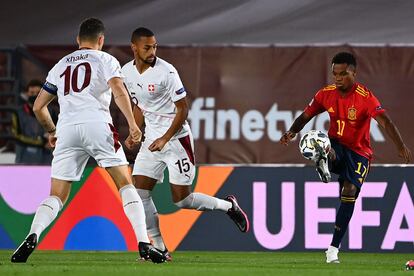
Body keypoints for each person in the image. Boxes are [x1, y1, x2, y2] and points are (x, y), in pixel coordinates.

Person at [11, 18, 165, 264]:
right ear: (101, 40)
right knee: (126, 184)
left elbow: (39, 107)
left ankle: (32, 235)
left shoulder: (60, 65)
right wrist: (133, 124)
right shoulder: (106, 60)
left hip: (67, 129)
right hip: (97, 125)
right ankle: (144, 243)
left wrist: (51, 131)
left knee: (57, 195)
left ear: (78, 40)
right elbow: (118, 90)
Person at [122, 27, 250, 260]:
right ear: (134, 48)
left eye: (155, 46)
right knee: (140, 192)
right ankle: (159, 246)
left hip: (177, 140)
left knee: (182, 200)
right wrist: (135, 129)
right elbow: (139, 105)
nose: (152, 51)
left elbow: (183, 109)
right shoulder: (126, 73)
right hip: (152, 140)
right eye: (147, 47)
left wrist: (165, 138)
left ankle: (229, 207)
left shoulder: (167, 72)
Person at [280, 52, 412, 263]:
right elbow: (306, 115)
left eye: (342, 74)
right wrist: (292, 132)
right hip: (338, 145)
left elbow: (385, 122)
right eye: (335, 74)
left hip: (360, 153)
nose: (338, 78)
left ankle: (333, 249)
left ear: (354, 73)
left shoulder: (365, 97)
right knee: (324, 143)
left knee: (349, 192)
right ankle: (326, 157)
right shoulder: (326, 93)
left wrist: (400, 145)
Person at [12, 80, 54, 164]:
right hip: (24, 159)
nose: (35, 95)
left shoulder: (51, 111)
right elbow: (16, 136)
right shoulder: (18, 113)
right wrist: (40, 142)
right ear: (27, 93)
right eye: (32, 92)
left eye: (38, 93)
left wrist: (52, 141)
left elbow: (56, 131)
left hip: (46, 159)